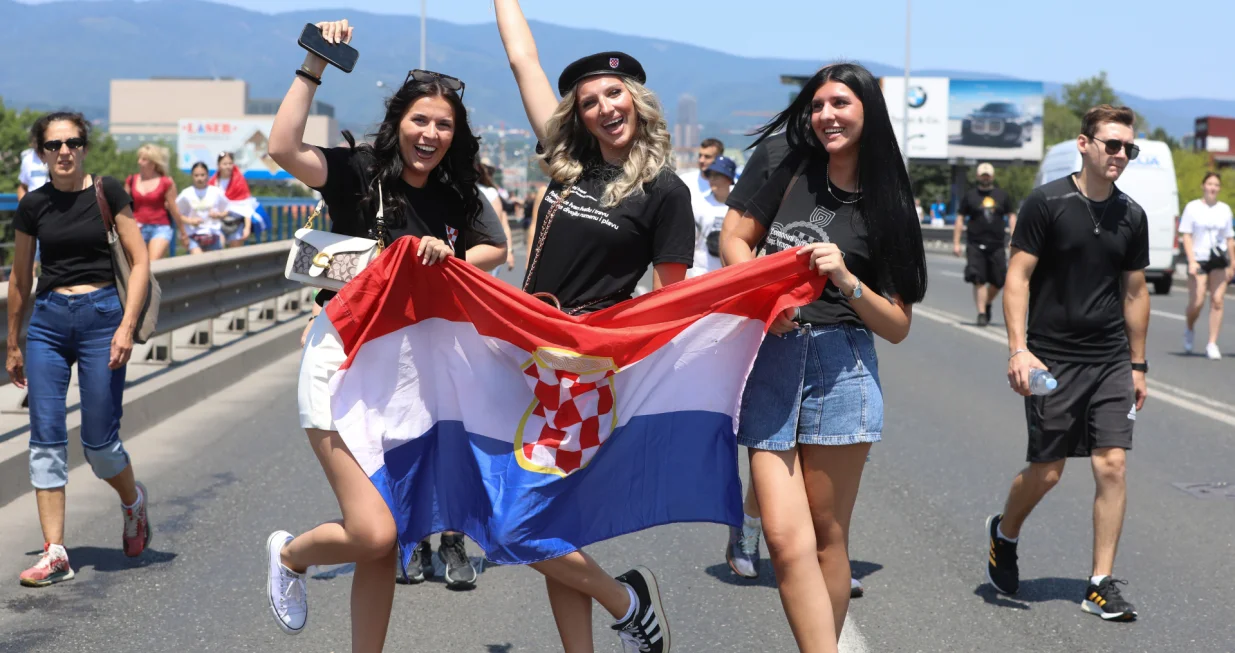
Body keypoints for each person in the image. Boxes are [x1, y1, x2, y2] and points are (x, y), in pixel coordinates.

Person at [263, 19, 507, 651]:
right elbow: (284, 148)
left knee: (387, 534)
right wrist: (315, 61)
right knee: (373, 534)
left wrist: (446, 259)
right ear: (399, 120)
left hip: (408, 380)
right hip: (340, 364)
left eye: (444, 125)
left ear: (456, 135)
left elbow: (495, 248)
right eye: (420, 120)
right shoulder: (357, 173)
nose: (430, 134)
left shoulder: (456, 196)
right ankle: (291, 556)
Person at [496, 1, 694, 650]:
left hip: (581, 371)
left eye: (615, 93)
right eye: (589, 100)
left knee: (518, 527)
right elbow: (523, 59)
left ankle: (625, 599)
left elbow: (671, 305)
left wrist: (605, 344)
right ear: (576, 116)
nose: (605, 106)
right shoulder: (564, 162)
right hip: (523, 356)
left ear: (636, 100)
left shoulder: (665, 192)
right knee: (556, 523)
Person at [719, 62, 927, 651]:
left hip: (845, 367)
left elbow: (898, 325)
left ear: (868, 112)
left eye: (841, 104)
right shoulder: (784, 163)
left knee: (829, 538)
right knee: (786, 541)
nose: (826, 115)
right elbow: (734, 238)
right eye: (817, 105)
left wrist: (847, 280)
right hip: (773, 356)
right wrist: (763, 299)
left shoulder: (890, 202)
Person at [989, 104, 1149, 623]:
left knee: (1113, 464)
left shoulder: (1132, 215)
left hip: (1108, 360)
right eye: (1113, 145)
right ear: (1085, 144)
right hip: (1052, 357)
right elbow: (1018, 279)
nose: (1121, 155)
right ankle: (1004, 532)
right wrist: (1018, 348)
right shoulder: (1047, 202)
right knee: (1049, 472)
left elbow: (1135, 290)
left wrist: (1138, 364)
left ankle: (1099, 583)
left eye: (1130, 148)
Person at [6, 111, 153, 587]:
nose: (63, 151)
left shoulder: (107, 192)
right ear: (42, 154)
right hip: (48, 323)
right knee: (45, 440)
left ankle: (133, 504)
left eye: (71, 142)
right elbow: (21, 276)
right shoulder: (33, 206)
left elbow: (140, 259)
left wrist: (127, 326)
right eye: (53, 145)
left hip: (102, 320)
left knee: (100, 445)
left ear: (84, 148)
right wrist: (13, 341)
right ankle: (55, 553)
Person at [952, 162, 1017, 326]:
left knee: (999, 280)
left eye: (988, 175)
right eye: (983, 175)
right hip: (975, 244)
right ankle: (981, 313)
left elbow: (1011, 217)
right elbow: (960, 219)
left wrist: (1014, 238)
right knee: (978, 278)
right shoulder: (970, 196)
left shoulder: (1002, 196)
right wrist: (956, 243)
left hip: (997, 245)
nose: (985, 178)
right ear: (978, 176)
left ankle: (987, 303)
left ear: (992, 177)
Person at [1179, 172, 1234, 359]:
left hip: (1218, 259)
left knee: (1218, 300)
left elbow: (1229, 238)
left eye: (1216, 185)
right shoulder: (1192, 208)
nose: (1213, 188)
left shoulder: (1224, 209)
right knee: (1197, 302)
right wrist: (1191, 260)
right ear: (1203, 186)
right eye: (1210, 184)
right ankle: (1189, 327)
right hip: (1199, 257)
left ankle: (1212, 343)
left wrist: (1232, 263)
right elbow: (1186, 235)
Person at [125, 144, 186, 260]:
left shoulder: (165, 182)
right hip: (137, 227)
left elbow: (174, 209)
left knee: (153, 264)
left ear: (153, 163)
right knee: (138, 263)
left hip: (160, 227)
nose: (139, 162)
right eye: (139, 158)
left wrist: (183, 233)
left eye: (143, 159)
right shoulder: (131, 180)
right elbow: (122, 206)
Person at [689, 155, 735, 278]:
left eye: (717, 175)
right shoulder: (698, 205)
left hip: (728, 274)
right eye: (710, 175)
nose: (712, 180)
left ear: (729, 179)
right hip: (700, 273)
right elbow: (689, 241)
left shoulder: (738, 207)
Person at [176, 162, 230, 255]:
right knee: (199, 260)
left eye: (202, 175)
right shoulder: (186, 194)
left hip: (212, 234)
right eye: (196, 175)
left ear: (207, 175)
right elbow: (177, 213)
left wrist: (218, 215)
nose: (199, 178)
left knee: (212, 264)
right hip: (193, 235)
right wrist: (190, 221)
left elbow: (227, 210)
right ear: (192, 176)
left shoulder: (216, 192)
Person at [209, 152, 258, 247]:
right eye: (225, 164)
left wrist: (247, 228)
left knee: (235, 254)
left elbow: (246, 205)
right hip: (218, 223)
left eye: (230, 163)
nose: (228, 167)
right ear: (219, 165)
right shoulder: (213, 182)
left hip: (236, 222)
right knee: (218, 249)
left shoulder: (239, 181)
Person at [477, 157, 516, 275]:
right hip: (486, 252)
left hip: (485, 251)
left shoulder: (491, 193)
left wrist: (508, 251)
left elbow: (503, 225)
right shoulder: (491, 192)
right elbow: (503, 226)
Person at [679, 138, 724, 205]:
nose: (701, 160)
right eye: (700, 156)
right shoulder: (684, 181)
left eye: (707, 157)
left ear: (719, 158)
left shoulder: (729, 184)